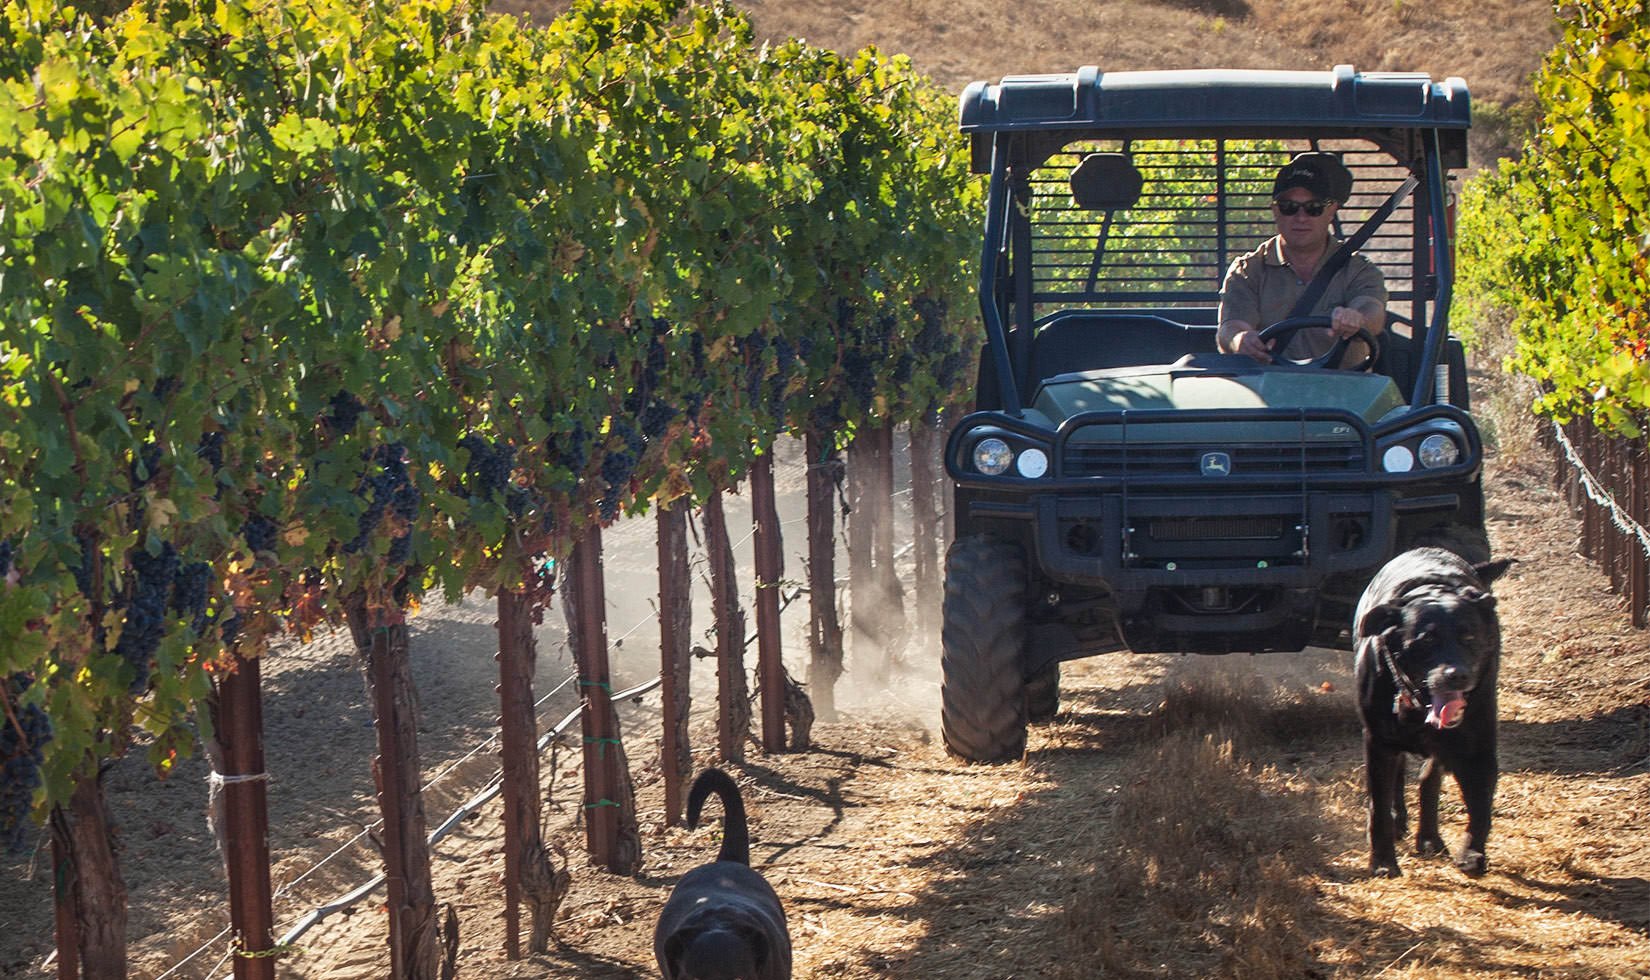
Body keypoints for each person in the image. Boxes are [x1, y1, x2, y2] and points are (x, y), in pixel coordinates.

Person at [1216, 152, 1388, 366]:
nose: (1301, 218)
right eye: (1289, 207)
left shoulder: (1358, 270)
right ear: (1275, 211)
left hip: (1345, 392)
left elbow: (1372, 310)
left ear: (1331, 210)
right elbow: (1231, 327)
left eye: (1313, 208)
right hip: (1270, 391)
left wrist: (1357, 318)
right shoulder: (1248, 270)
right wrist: (1240, 340)